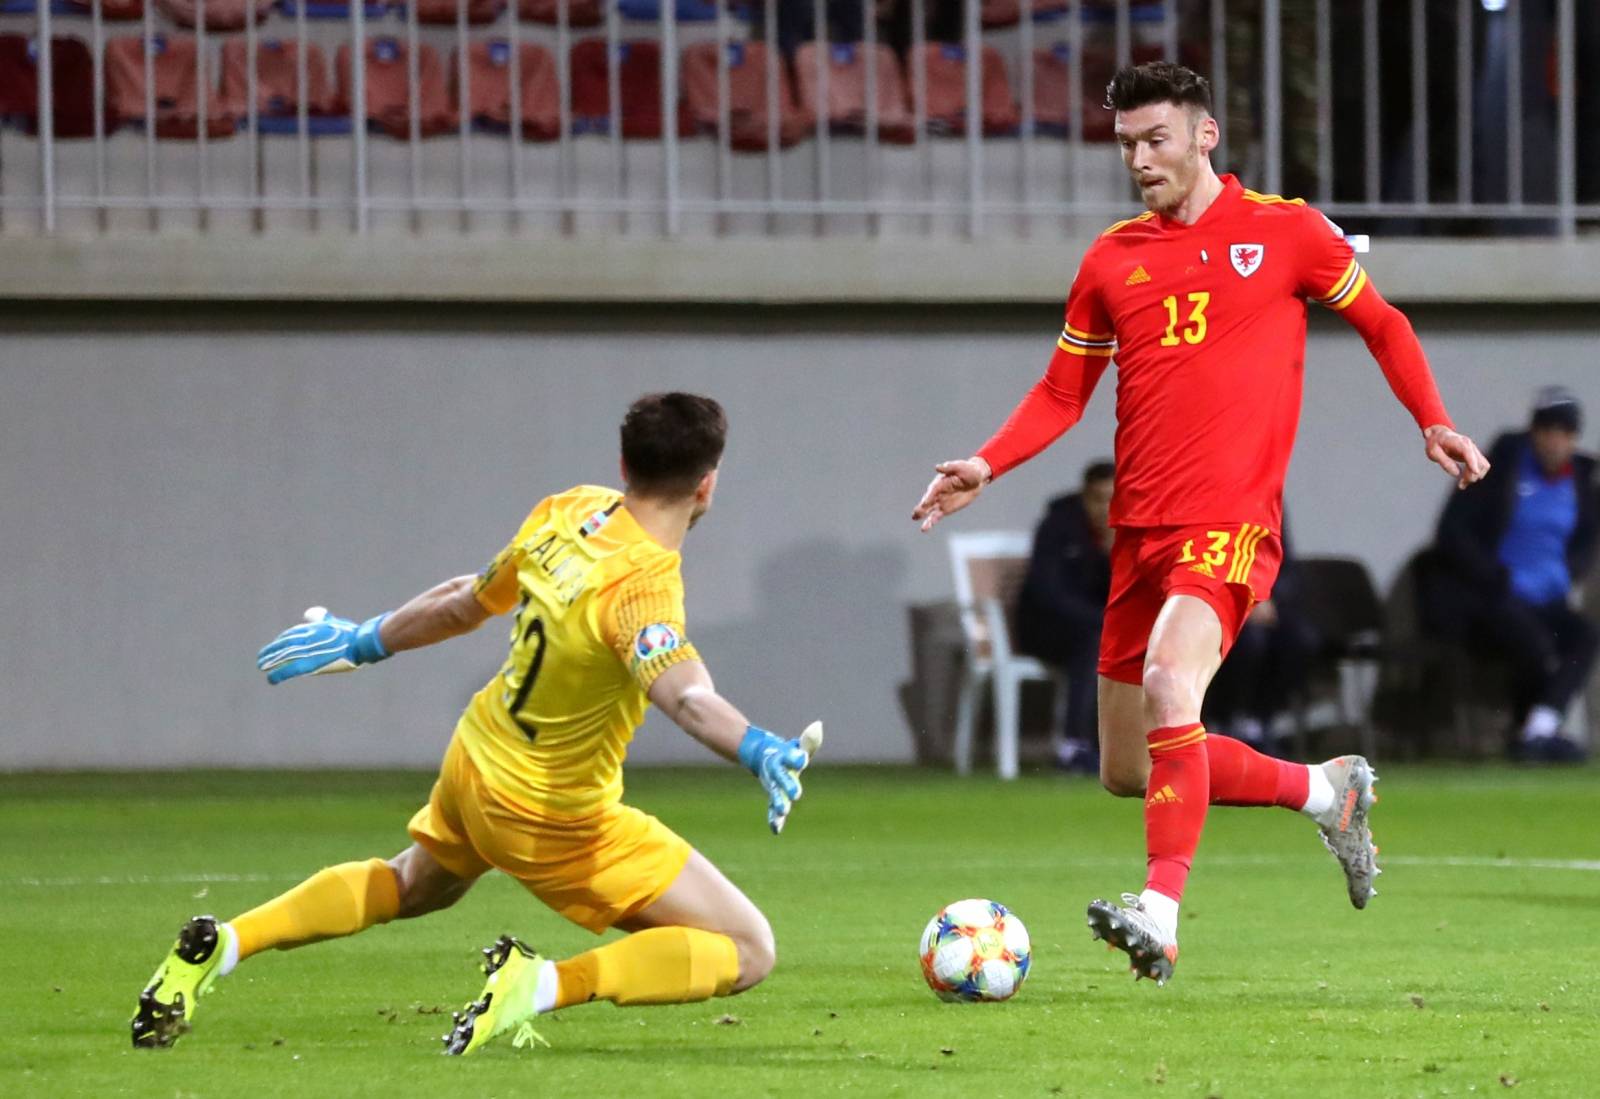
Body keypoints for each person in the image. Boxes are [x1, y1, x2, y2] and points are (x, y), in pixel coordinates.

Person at [911, 61, 1488, 985]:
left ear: (1204, 135)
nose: (1139, 160)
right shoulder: (1111, 259)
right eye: (1126, 145)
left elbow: (1383, 323)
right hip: (1139, 533)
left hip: (1229, 522)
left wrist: (1433, 419)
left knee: (1174, 684)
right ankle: (1324, 789)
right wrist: (988, 461)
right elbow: (1065, 390)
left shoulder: (1286, 232)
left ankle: (1160, 914)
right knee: (1130, 767)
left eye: (1156, 140)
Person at [131, 393, 820, 1052]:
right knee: (749, 947)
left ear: (622, 467)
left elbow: (467, 599)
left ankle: (224, 942)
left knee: (411, 884)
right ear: (707, 485)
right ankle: (540, 982)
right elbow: (687, 697)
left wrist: (366, 638)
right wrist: (757, 747)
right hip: (553, 814)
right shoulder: (643, 588)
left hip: (477, 759)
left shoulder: (567, 512)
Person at [1423, 386, 1598, 763]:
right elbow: (1452, 533)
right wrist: (1495, 576)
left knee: (1584, 635)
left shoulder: (1582, 483)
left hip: (1548, 597)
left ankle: (1539, 729)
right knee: (1533, 643)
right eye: (1547, 429)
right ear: (1533, 432)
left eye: (1564, 432)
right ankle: (1529, 733)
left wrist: (1568, 572)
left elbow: (1586, 540)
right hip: (1497, 596)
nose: (1555, 440)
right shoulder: (1498, 470)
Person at [1016, 459, 1115, 774]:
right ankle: (1074, 745)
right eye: (1099, 499)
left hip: (1100, 628)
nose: (1105, 509)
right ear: (1084, 497)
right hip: (1046, 629)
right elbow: (1049, 594)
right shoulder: (1057, 527)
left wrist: (1115, 558)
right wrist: (1102, 620)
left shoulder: (1128, 535)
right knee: (1092, 643)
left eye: (1115, 500)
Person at [1201, 518, 1318, 753]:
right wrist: (1242, 598)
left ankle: (1260, 720)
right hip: (1215, 604)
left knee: (1300, 640)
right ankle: (1226, 720)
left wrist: (1268, 597)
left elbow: (1287, 569)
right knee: (1249, 642)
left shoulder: (1268, 499)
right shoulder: (1206, 498)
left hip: (1263, 602)